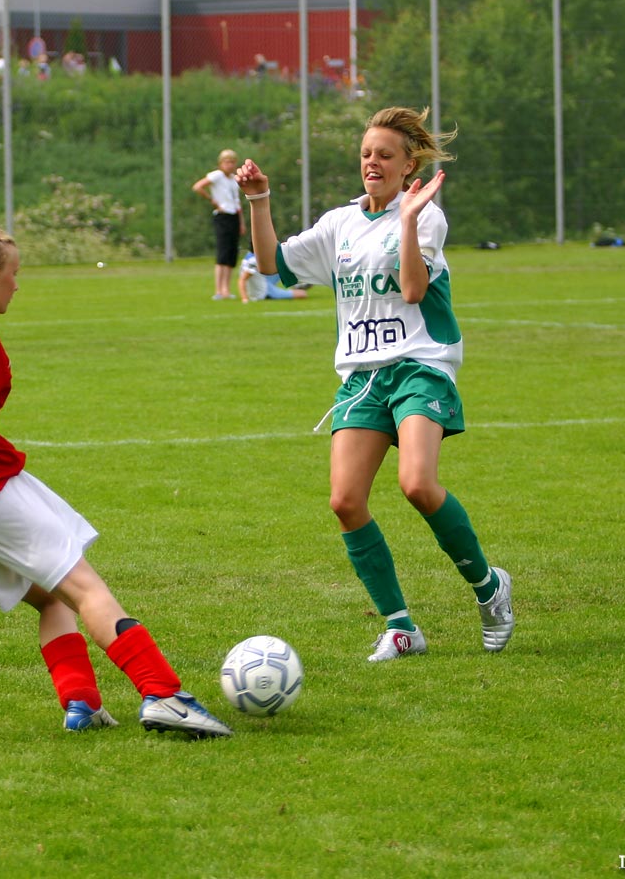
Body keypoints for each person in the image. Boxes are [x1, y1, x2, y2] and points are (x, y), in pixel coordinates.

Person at [0, 224, 233, 739]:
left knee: (51, 598)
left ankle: (82, 704)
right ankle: (163, 694)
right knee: (87, 589)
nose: (17, 286)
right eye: (15, 275)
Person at [235, 106, 515, 662]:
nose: (372, 163)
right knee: (345, 501)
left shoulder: (425, 217)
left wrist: (408, 220)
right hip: (363, 378)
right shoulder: (339, 223)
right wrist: (259, 199)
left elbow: (412, 291)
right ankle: (401, 627)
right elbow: (271, 263)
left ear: (409, 164)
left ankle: (490, 588)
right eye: (366, 154)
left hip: (419, 366)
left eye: (385, 155)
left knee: (417, 484)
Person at [192, 149, 246, 300]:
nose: (230, 165)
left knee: (231, 253)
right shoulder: (217, 176)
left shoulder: (234, 179)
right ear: (221, 163)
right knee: (222, 251)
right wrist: (213, 201)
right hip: (222, 216)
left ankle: (226, 290)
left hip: (234, 215)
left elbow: (237, 202)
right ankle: (218, 289)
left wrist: (241, 222)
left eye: (233, 162)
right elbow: (198, 187)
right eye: (227, 162)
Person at [237, 248, 307, 304]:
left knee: (284, 265)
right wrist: (245, 299)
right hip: (265, 292)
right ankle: (298, 286)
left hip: (264, 280)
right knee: (302, 294)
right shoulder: (254, 261)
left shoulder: (250, 255)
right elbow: (242, 280)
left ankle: (297, 281)